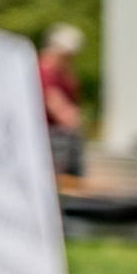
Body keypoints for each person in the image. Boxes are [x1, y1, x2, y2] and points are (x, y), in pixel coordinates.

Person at [37, 23, 86, 178]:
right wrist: (73, 119)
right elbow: (54, 103)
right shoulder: (44, 71)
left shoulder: (64, 73)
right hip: (50, 137)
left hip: (63, 136)